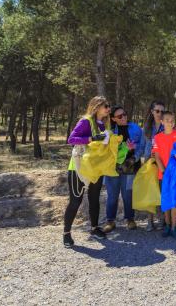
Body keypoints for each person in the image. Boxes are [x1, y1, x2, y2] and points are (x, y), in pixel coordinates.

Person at [63, 96, 111, 248]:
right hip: (78, 167)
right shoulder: (85, 121)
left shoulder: (104, 125)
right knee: (75, 201)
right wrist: (91, 138)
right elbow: (71, 139)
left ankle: (94, 228)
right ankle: (66, 234)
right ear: (97, 107)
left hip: (96, 168)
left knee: (94, 198)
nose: (108, 109)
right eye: (106, 106)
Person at [102, 106, 144, 233]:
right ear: (114, 119)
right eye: (120, 116)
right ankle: (110, 221)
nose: (124, 117)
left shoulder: (135, 128)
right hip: (112, 167)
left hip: (130, 166)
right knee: (112, 195)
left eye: (125, 114)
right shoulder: (108, 131)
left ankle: (130, 219)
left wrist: (134, 157)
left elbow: (141, 146)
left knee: (128, 194)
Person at [152, 111, 176, 240]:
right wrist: (163, 169)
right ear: (162, 122)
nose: (170, 122)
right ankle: (167, 225)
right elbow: (156, 155)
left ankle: (174, 227)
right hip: (163, 174)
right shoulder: (158, 137)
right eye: (167, 120)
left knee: (175, 200)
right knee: (165, 199)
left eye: (172, 120)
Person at [141, 100, 165, 232]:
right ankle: (150, 221)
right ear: (152, 112)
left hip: (162, 163)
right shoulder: (146, 127)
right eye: (157, 111)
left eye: (162, 111)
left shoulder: (166, 126)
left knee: (161, 192)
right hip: (149, 163)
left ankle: (161, 219)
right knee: (150, 192)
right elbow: (141, 145)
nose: (160, 114)